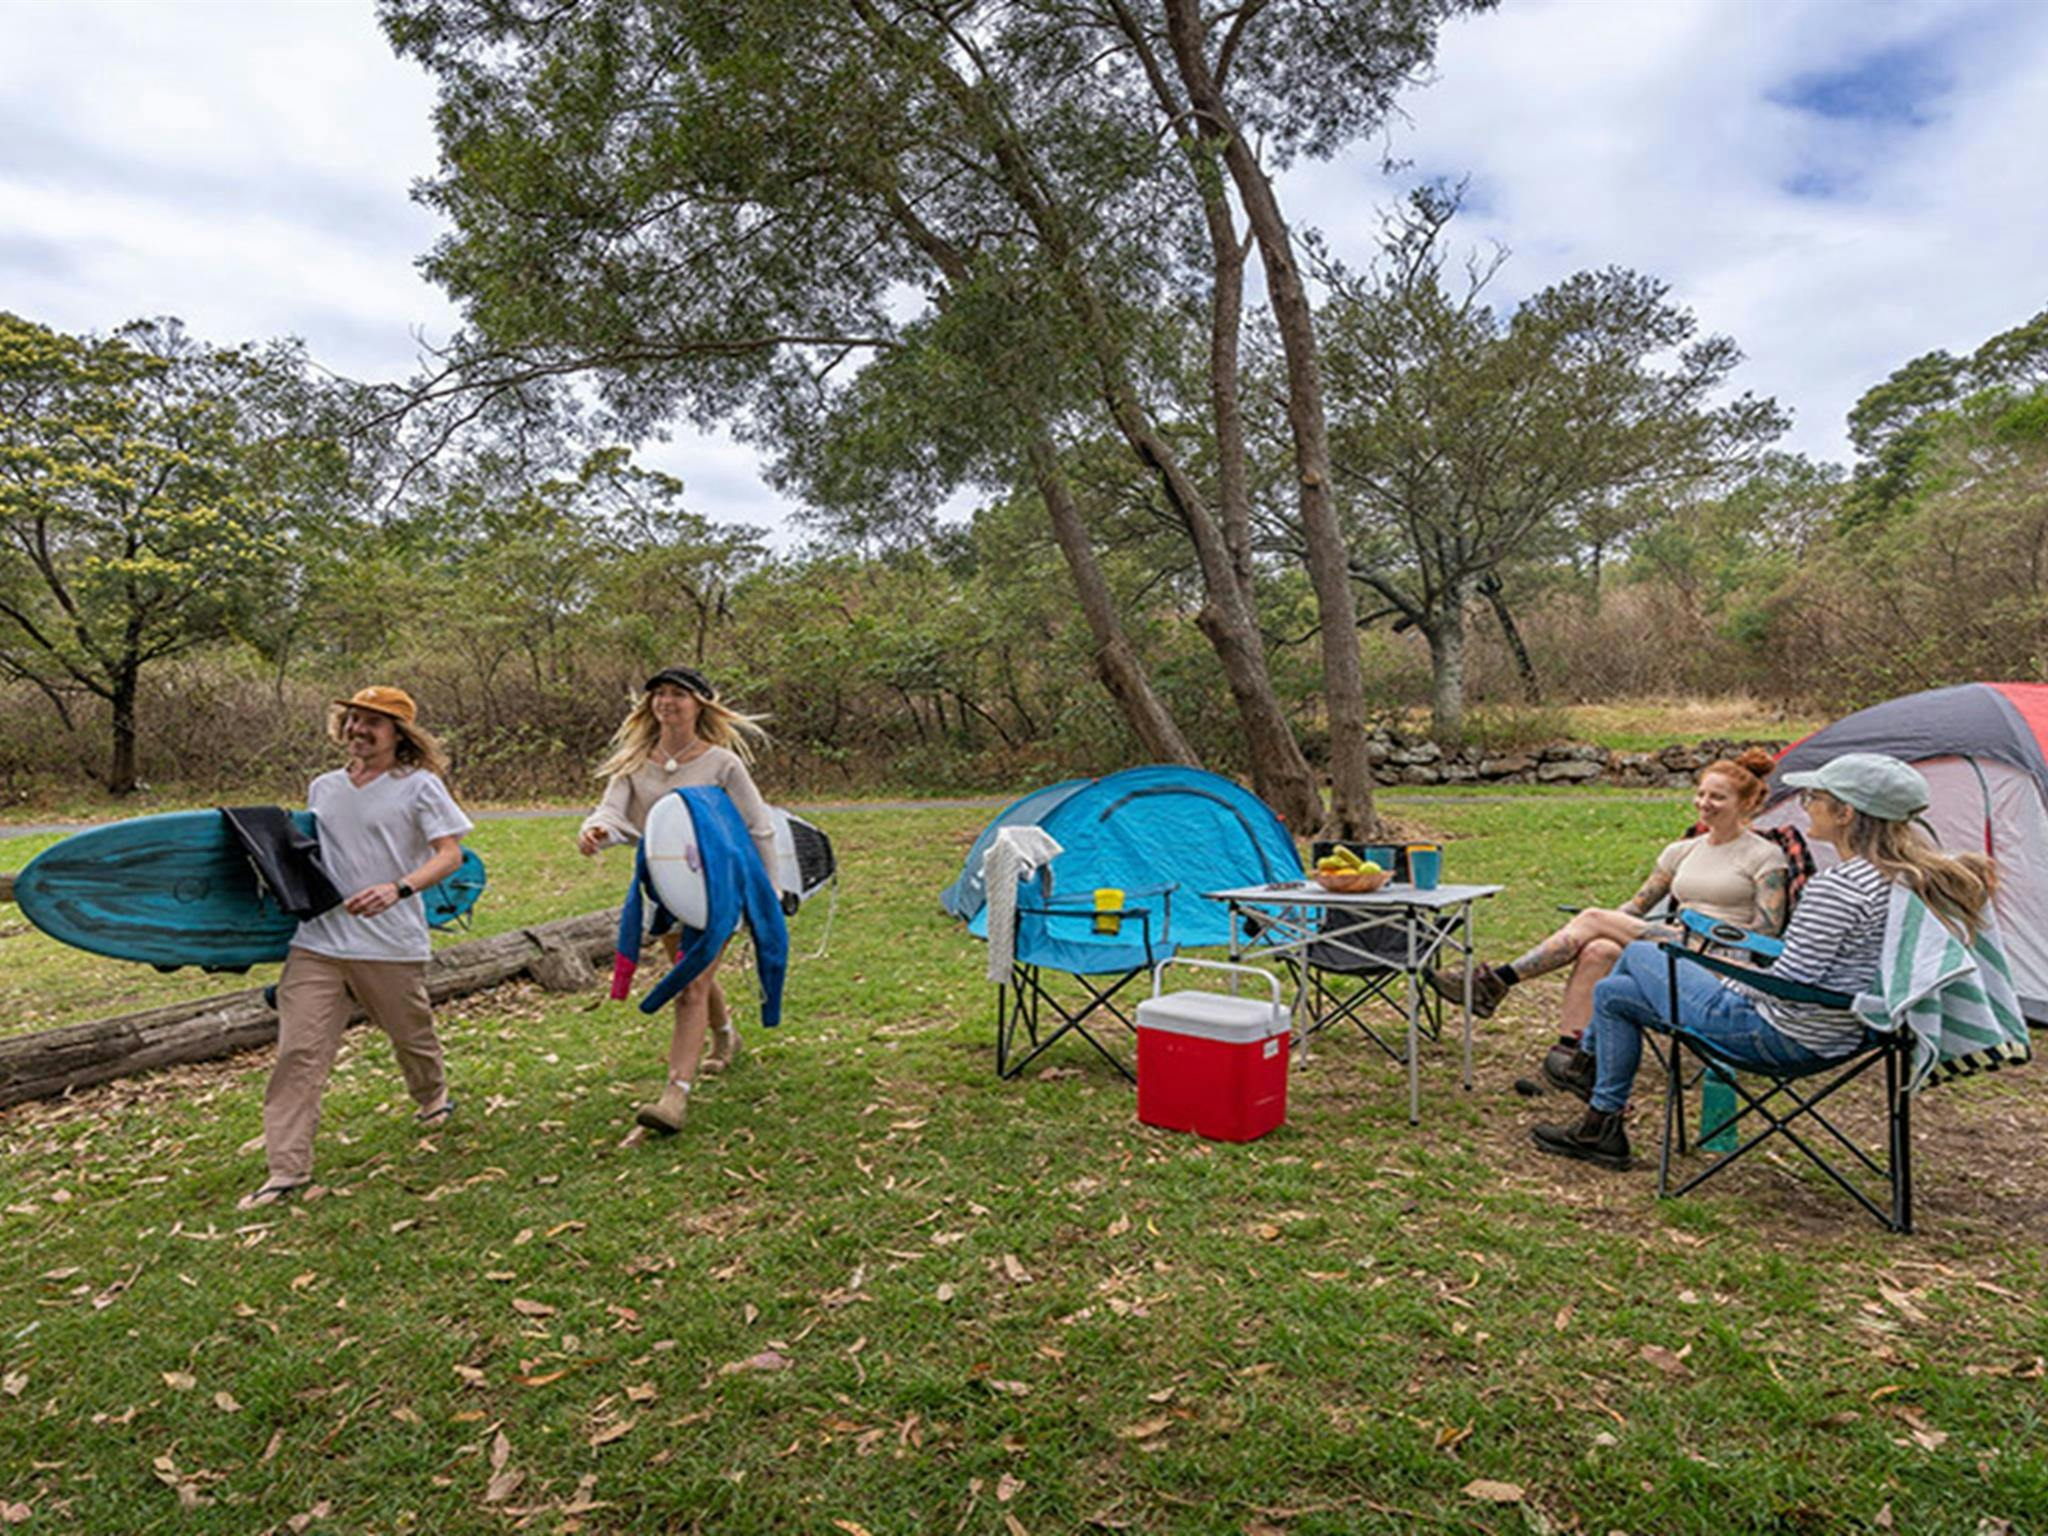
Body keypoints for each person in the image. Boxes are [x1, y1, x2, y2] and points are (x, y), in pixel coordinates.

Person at [1530, 752, 1995, 1170]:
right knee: (1613, 994)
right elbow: (1802, 963)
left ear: (1846, 812)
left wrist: (1721, 974)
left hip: (1780, 1035)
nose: (1806, 804)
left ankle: (1585, 1069)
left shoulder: (1839, 888)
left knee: (1637, 951)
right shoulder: (1895, 877)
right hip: (1848, 1029)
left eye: (1815, 797)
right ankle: (1599, 1125)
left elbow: (1789, 981)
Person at [1428, 750, 1791, 1095]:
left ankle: (1495, 983)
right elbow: (1634, 908)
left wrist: (1699, 937)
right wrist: (1606, 926)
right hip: (1672, 946)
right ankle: (1574, 1055)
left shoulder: (1764, 855)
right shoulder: (1681, 851)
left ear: (1746, 804)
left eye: (1717, 797)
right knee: (1598, 946)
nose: (1704, 804)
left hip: (1720, 960)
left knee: (1593, 919)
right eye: (1700, 794)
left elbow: (1766, 932)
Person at [242, 687, 473, 1208]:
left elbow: (451, 854)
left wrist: (399, 888)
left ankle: (432, 1097)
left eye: (374, 721)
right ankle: (286, 1170)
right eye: (353, 719)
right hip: (319, 940)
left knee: (410, 1036)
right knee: (298, 1052)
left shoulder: (419, 786)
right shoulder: (323, 787)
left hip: (389, 944)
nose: (359, 729)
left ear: (399, 734)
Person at [578, 665, 776, 1134]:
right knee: (692, 973)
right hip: (664, 889)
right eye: (659, 694)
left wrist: (769, 894)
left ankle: (674, 1096)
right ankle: (726, 1036)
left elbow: (759, 826)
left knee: (690, 985)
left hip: (722, 890)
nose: (666, 702)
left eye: (678, 694)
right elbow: (613, 814)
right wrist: (596, 832)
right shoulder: (634, 763)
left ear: (700, 704)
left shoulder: (722, 764)